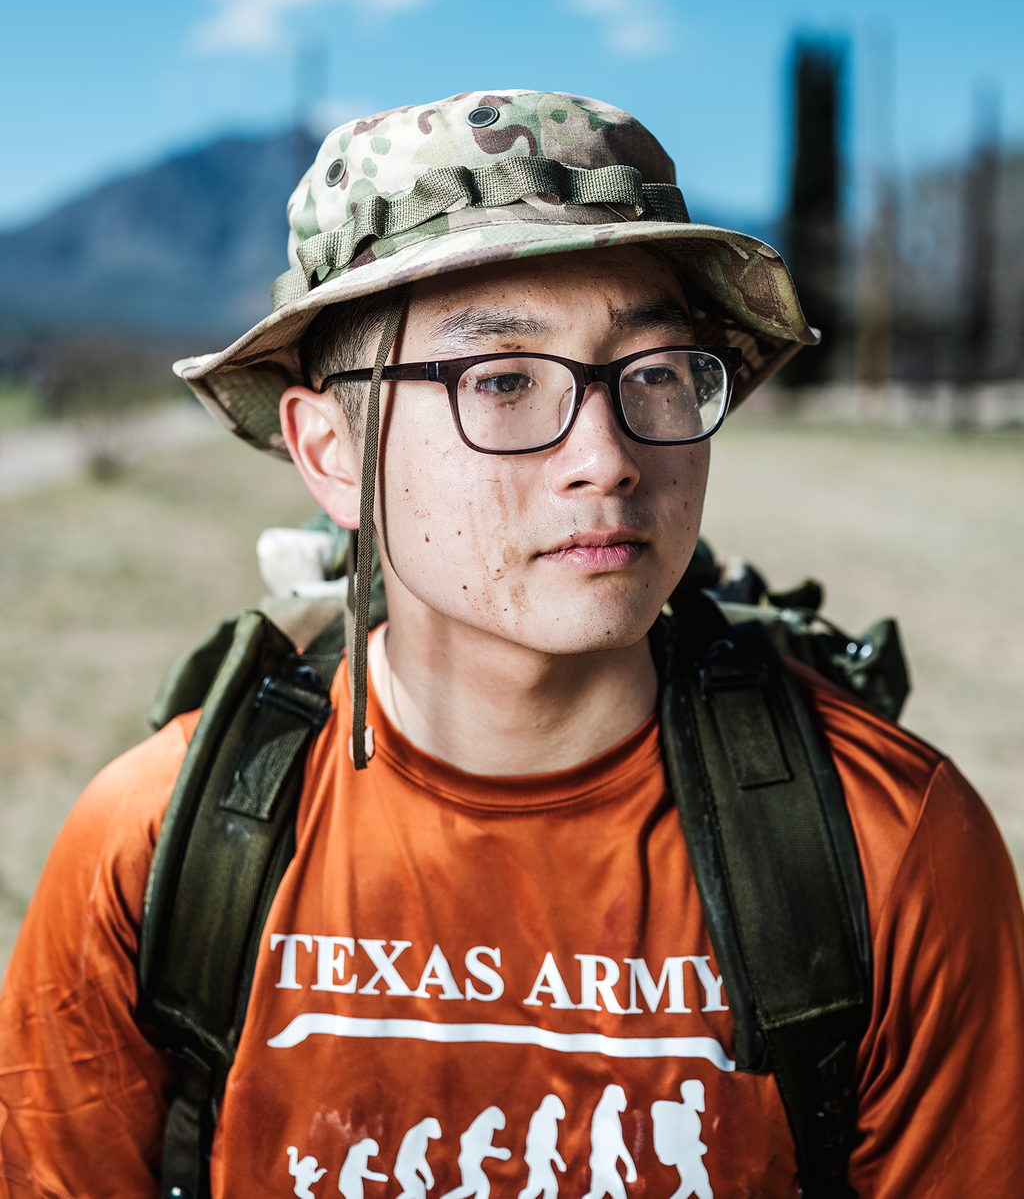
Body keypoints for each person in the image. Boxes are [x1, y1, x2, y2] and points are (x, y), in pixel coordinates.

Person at [0, 89, 1022, 1199]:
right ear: (332, 454)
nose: (606, 458)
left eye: (655, 372)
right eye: (500, 381)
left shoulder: (890, 850)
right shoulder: (157, 846)